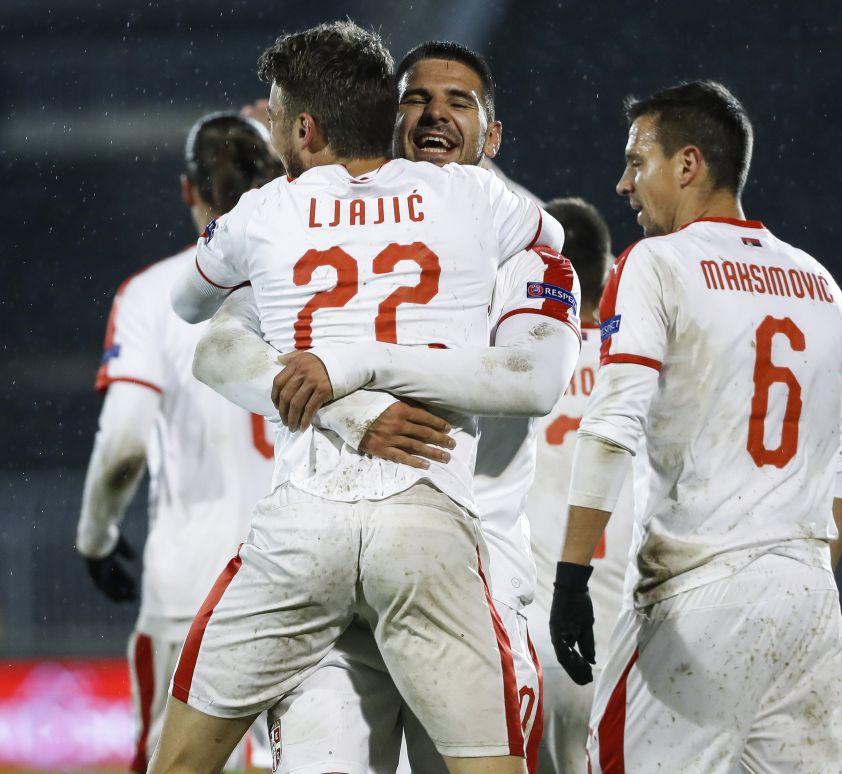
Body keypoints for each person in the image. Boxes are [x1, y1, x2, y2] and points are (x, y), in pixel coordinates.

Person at [151, 22, 568, 774]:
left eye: (460, 102)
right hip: (416, 547)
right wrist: (350, 408)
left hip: (477, 566)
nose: (435, 114)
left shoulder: (288, 214)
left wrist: (348, 366)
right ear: (385, 115)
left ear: (495, 134)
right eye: (416, 99)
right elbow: (216, 348)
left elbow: (533, 381)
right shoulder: (485, 211)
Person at [548, 81, 842, 772]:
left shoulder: (657, 263)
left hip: (699, 593)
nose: (624, 184)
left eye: (637, 162)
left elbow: (612, 424)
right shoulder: (823, 287)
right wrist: (794, 580)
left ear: (687, 164)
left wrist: (570, 580)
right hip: (809, 598)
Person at [76, 112, 282, 772]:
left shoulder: (149, 295)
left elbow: (124, 445)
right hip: (299, 572)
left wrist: (96, 540)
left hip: (190, 584)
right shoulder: (316, 279)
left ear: (188, 189)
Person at [520, 198, 633, 774]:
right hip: (626, 644)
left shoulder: (515, 366)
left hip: (532, 643)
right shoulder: (637, 371)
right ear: (608, 274)